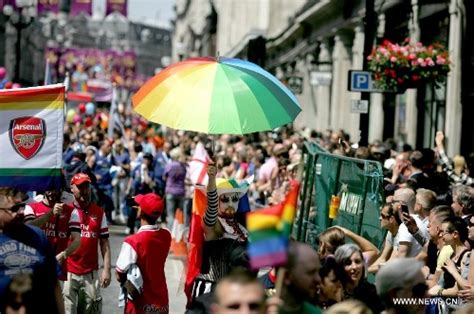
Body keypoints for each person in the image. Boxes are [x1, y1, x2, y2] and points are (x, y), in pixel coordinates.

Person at [191, 161, 250, 299]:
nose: (231, 204)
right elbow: (211, 206)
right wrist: (211, 179)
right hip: (212, 290)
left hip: (235, 289)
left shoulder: (240, 226)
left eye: (235, 199)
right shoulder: (214, 223)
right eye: (224, 199)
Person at [0, 187, 63, 313]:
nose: (20, 212)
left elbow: (54, 283)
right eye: (13, 209)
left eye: (21, 207)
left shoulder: (38, 236)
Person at [63, 173, 111, 314]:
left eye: (86, 186)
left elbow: (104, 243)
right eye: (80, 187)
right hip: (68, 271)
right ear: (72, 188)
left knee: (91, 310)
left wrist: (106, 269)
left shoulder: (99, 212)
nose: (84, 190)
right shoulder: (65, 211)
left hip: (90, 273)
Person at [116, 192, 171, 314]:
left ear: (140, 212)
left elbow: (119, 274)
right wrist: (143, 206)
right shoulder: (166, 235)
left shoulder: (133, 242)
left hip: (139, 305)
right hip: (161, 302)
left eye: (139, 206)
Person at [24, 188, 81, 280]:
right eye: (49, 189)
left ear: (61, 190)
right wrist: (50, 214)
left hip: (59, 269)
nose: (52, 192)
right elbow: (29, 228)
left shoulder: (71, 211)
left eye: (55, 189)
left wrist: (62, 255)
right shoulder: (31, 207)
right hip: (35, 266)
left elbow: (77, 240)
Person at [335, 244, 383, 313]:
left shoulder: (372, 292)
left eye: (357, 262)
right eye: (348, 263)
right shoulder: (333, 292)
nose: (354, 267)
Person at [279, 241, 323, 314]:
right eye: (311, 272)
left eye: (318, 272)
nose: (318, 279)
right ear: (287, 276)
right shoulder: (260, 309)